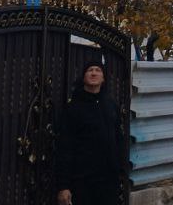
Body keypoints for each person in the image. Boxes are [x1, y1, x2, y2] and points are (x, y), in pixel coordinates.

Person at [53, 60, 128, 205]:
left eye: (98, 70)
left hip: (109, 180)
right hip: (82, 181)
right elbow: (65, 148)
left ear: (103, 78)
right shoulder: (73, 108)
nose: (94, 73)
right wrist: (63, 186)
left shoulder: (111, 105)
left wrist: (121, 169)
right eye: (90, 70)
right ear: (83, 77)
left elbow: (119, 138)